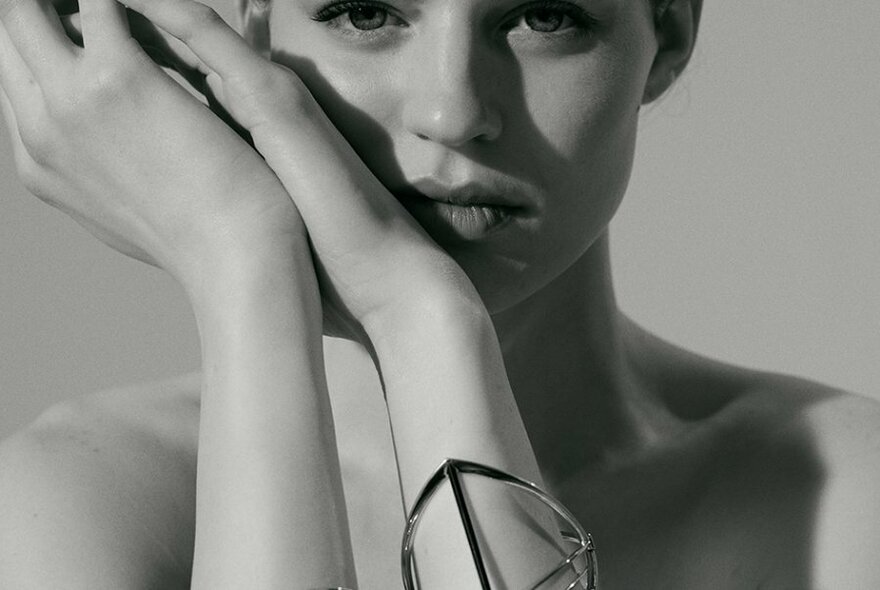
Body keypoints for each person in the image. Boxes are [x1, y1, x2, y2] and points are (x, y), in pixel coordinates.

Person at [0, 0, 878, 587]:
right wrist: (244, 266)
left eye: (544, 16)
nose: (452, 110)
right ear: (257, 27)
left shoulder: (849, 495)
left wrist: (425, 323)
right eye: (366, 12)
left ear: (671, 34)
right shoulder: (78, 497)